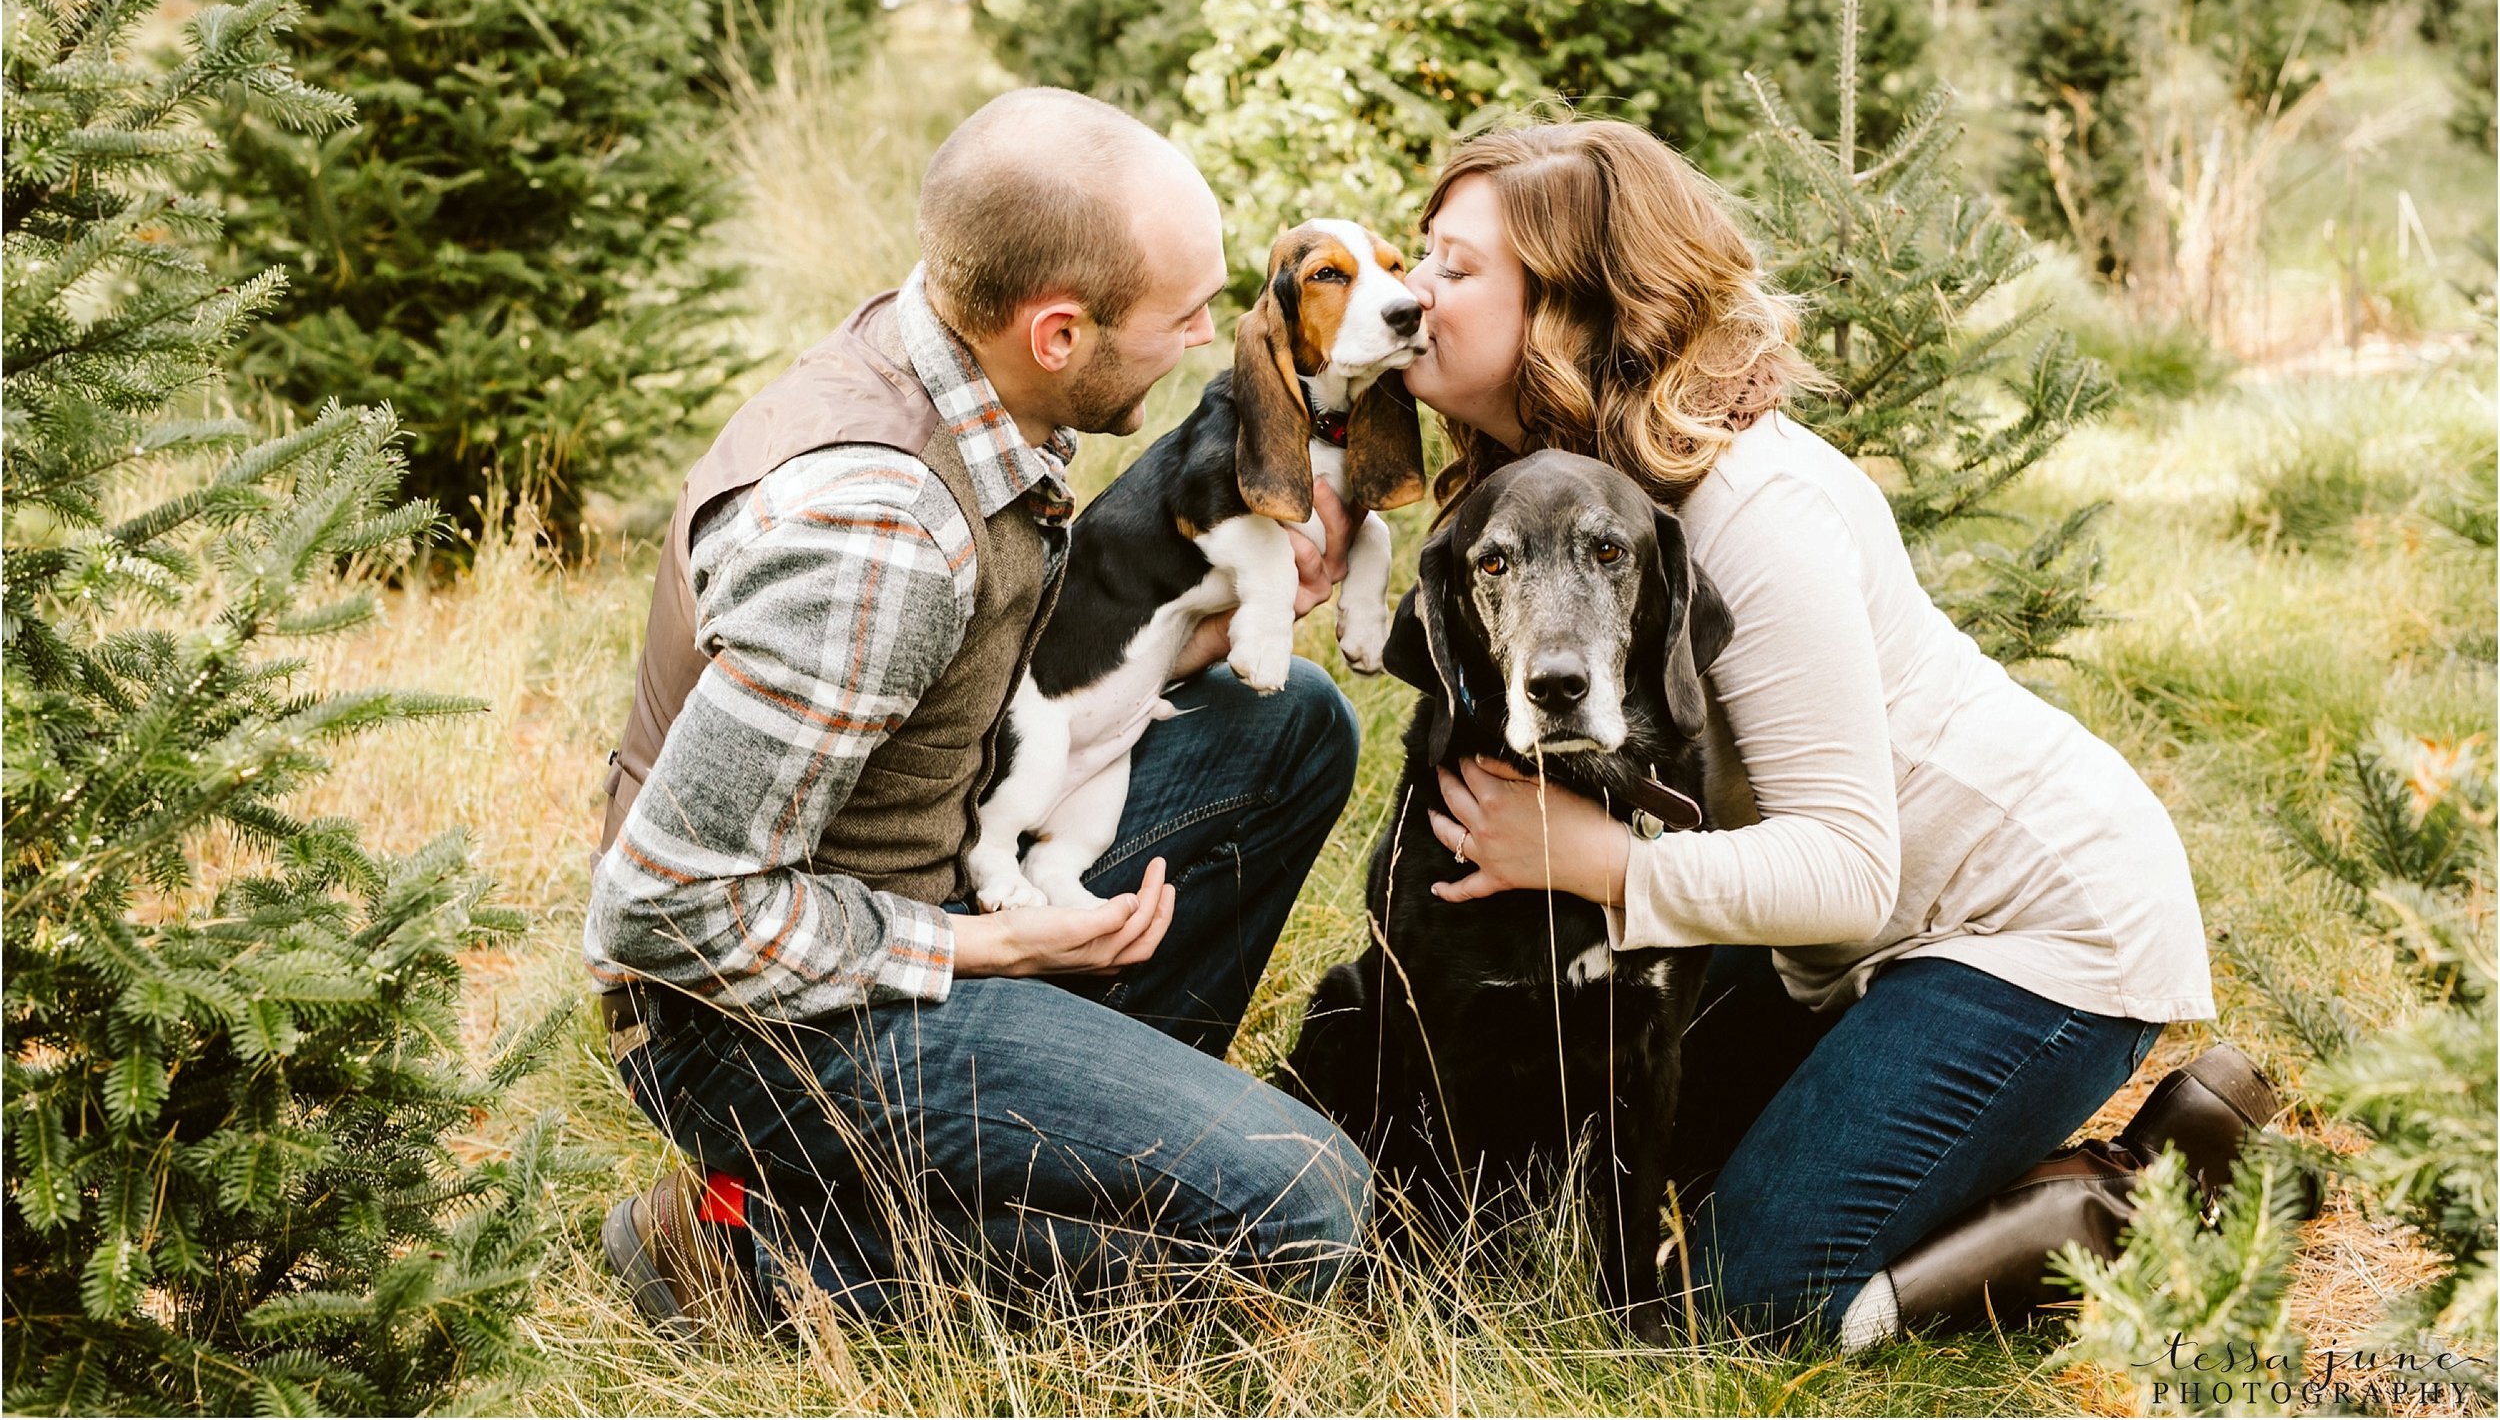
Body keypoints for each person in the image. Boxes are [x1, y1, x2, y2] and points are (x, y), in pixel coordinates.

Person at [1393, 118, 2258, 1345]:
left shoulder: (1755, 509)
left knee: (1747, 1294)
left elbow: (1853, 871)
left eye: (1452, 266)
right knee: (1620, 1172)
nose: (1409, 292)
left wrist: (1603, 867)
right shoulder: (1578, 489)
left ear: (1567, 311)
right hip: (1846, 942)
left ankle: (2133, 1199)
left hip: (2033, 933)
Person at [585, 88, 1372, 1338]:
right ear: (1057, 330)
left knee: (1289, 725)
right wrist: (991, 948)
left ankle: (1076, 1129)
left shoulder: (967, 369)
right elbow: (665, 910)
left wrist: (1195, 637)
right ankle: (753, 1251)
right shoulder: (876, 535)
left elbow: (971, 688)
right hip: (758, 1027)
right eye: (1183, 316)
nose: (1213, 338)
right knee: (1308, 1205)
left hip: (929, 867)